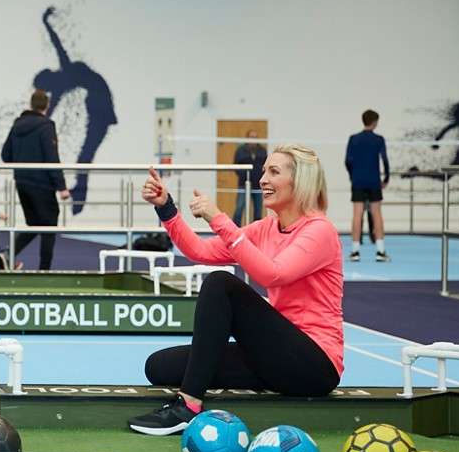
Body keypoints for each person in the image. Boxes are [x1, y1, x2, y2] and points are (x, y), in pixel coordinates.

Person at [126, 147, 344, 435]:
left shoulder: (320, 231)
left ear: (300, 181)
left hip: (314, 364)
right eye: (264, 170)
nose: (263, 179)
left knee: (221, 284)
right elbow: (200, 251)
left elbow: (273, 274)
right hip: (274, 355)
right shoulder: (266, 228)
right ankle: (190, 397)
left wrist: (219, 219)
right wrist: (167, 208)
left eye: (274, 172)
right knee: (160, 367)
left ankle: (188, 406)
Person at [32, 6, 117, 215]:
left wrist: (46, 23)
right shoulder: (62, 83)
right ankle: (78, 200)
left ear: (49, 78)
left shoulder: (66, 71)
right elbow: (49, 112)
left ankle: (79, 201)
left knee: (84, 156)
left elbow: (57, 43)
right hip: (98, 105)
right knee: (84, 156)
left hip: (100, 105)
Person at [2, 88, 70, 270]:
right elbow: (51, 157)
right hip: (42, 184)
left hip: (22, 183)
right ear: (46, 106)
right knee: (49, 226)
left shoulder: (17, 125)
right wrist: (61, 186)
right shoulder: (46, 126)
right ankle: (44, 270)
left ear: (31, 105)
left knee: (35, 224)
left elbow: (5, 155)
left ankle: (9, 252)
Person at [345, 110, 391, 262]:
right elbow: (384, 160)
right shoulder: (379, 139)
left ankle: (355, 251)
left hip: (358, 181)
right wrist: (386, 178)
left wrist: (353, 177)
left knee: (357, 215)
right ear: (375, 122)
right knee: (376, 214)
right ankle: (380, 251)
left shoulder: (353, 139)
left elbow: (348, 161)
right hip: (373, 181)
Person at [231, 129, 267, 226]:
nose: (253, 139)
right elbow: (235, 166)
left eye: (255, 137)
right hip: (243, 183)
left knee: (258, 210)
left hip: (257, 185)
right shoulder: (241, 150)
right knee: (239, 207)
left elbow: (265, 166)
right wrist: (243, 175)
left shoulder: (262, 151)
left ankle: (256, 231)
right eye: (251, 137)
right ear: (247, 138)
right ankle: (235, 228)